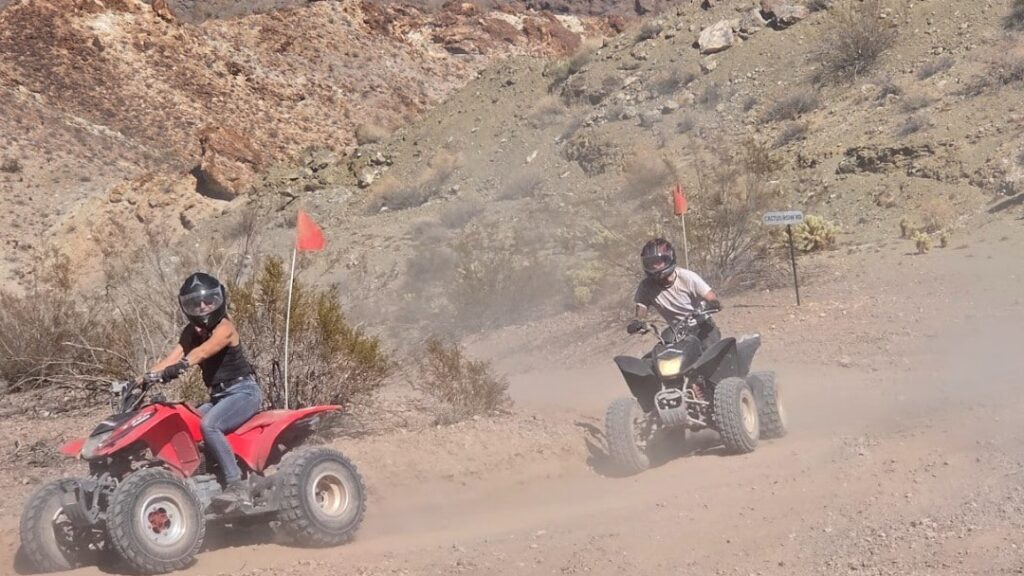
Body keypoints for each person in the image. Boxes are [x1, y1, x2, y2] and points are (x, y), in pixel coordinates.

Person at [143, 272, 261, 508]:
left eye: (209, 300)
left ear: (220, 299)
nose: (203, 306)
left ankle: (236, 485)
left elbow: (205, 350)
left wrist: (183, 365)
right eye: (195, 303)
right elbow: (171, 357)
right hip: (218, 397)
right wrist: (142, 379)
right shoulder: (190, 332)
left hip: (243, 392)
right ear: (186, 306)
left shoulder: (225, 327)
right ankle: (201, 483)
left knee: (210, 425)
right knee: (187, 426)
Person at [627, 237, 722, 344]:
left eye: (658, 262)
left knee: (711, 356)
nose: (654, 266)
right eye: (650, 262)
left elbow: (712, 298)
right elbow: (642, 305)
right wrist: (638, 321)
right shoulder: (646, 286)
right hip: (677, 333)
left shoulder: (688, 277)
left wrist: (712, 304)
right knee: (659, 356)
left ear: (668, 259)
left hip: (702, 327)